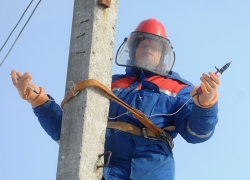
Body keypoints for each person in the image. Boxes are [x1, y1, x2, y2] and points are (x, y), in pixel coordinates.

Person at [11, 18, 220, 180]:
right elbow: (72, 134)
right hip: (100, 171)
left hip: (149, 172)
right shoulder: (106, 84)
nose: (148, 50)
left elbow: (197, 134)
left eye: (154, 47)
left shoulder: (180, 89)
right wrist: (40, 102)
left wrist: (206, 105)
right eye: (143, 45)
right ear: (133, 50)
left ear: (162, 56)